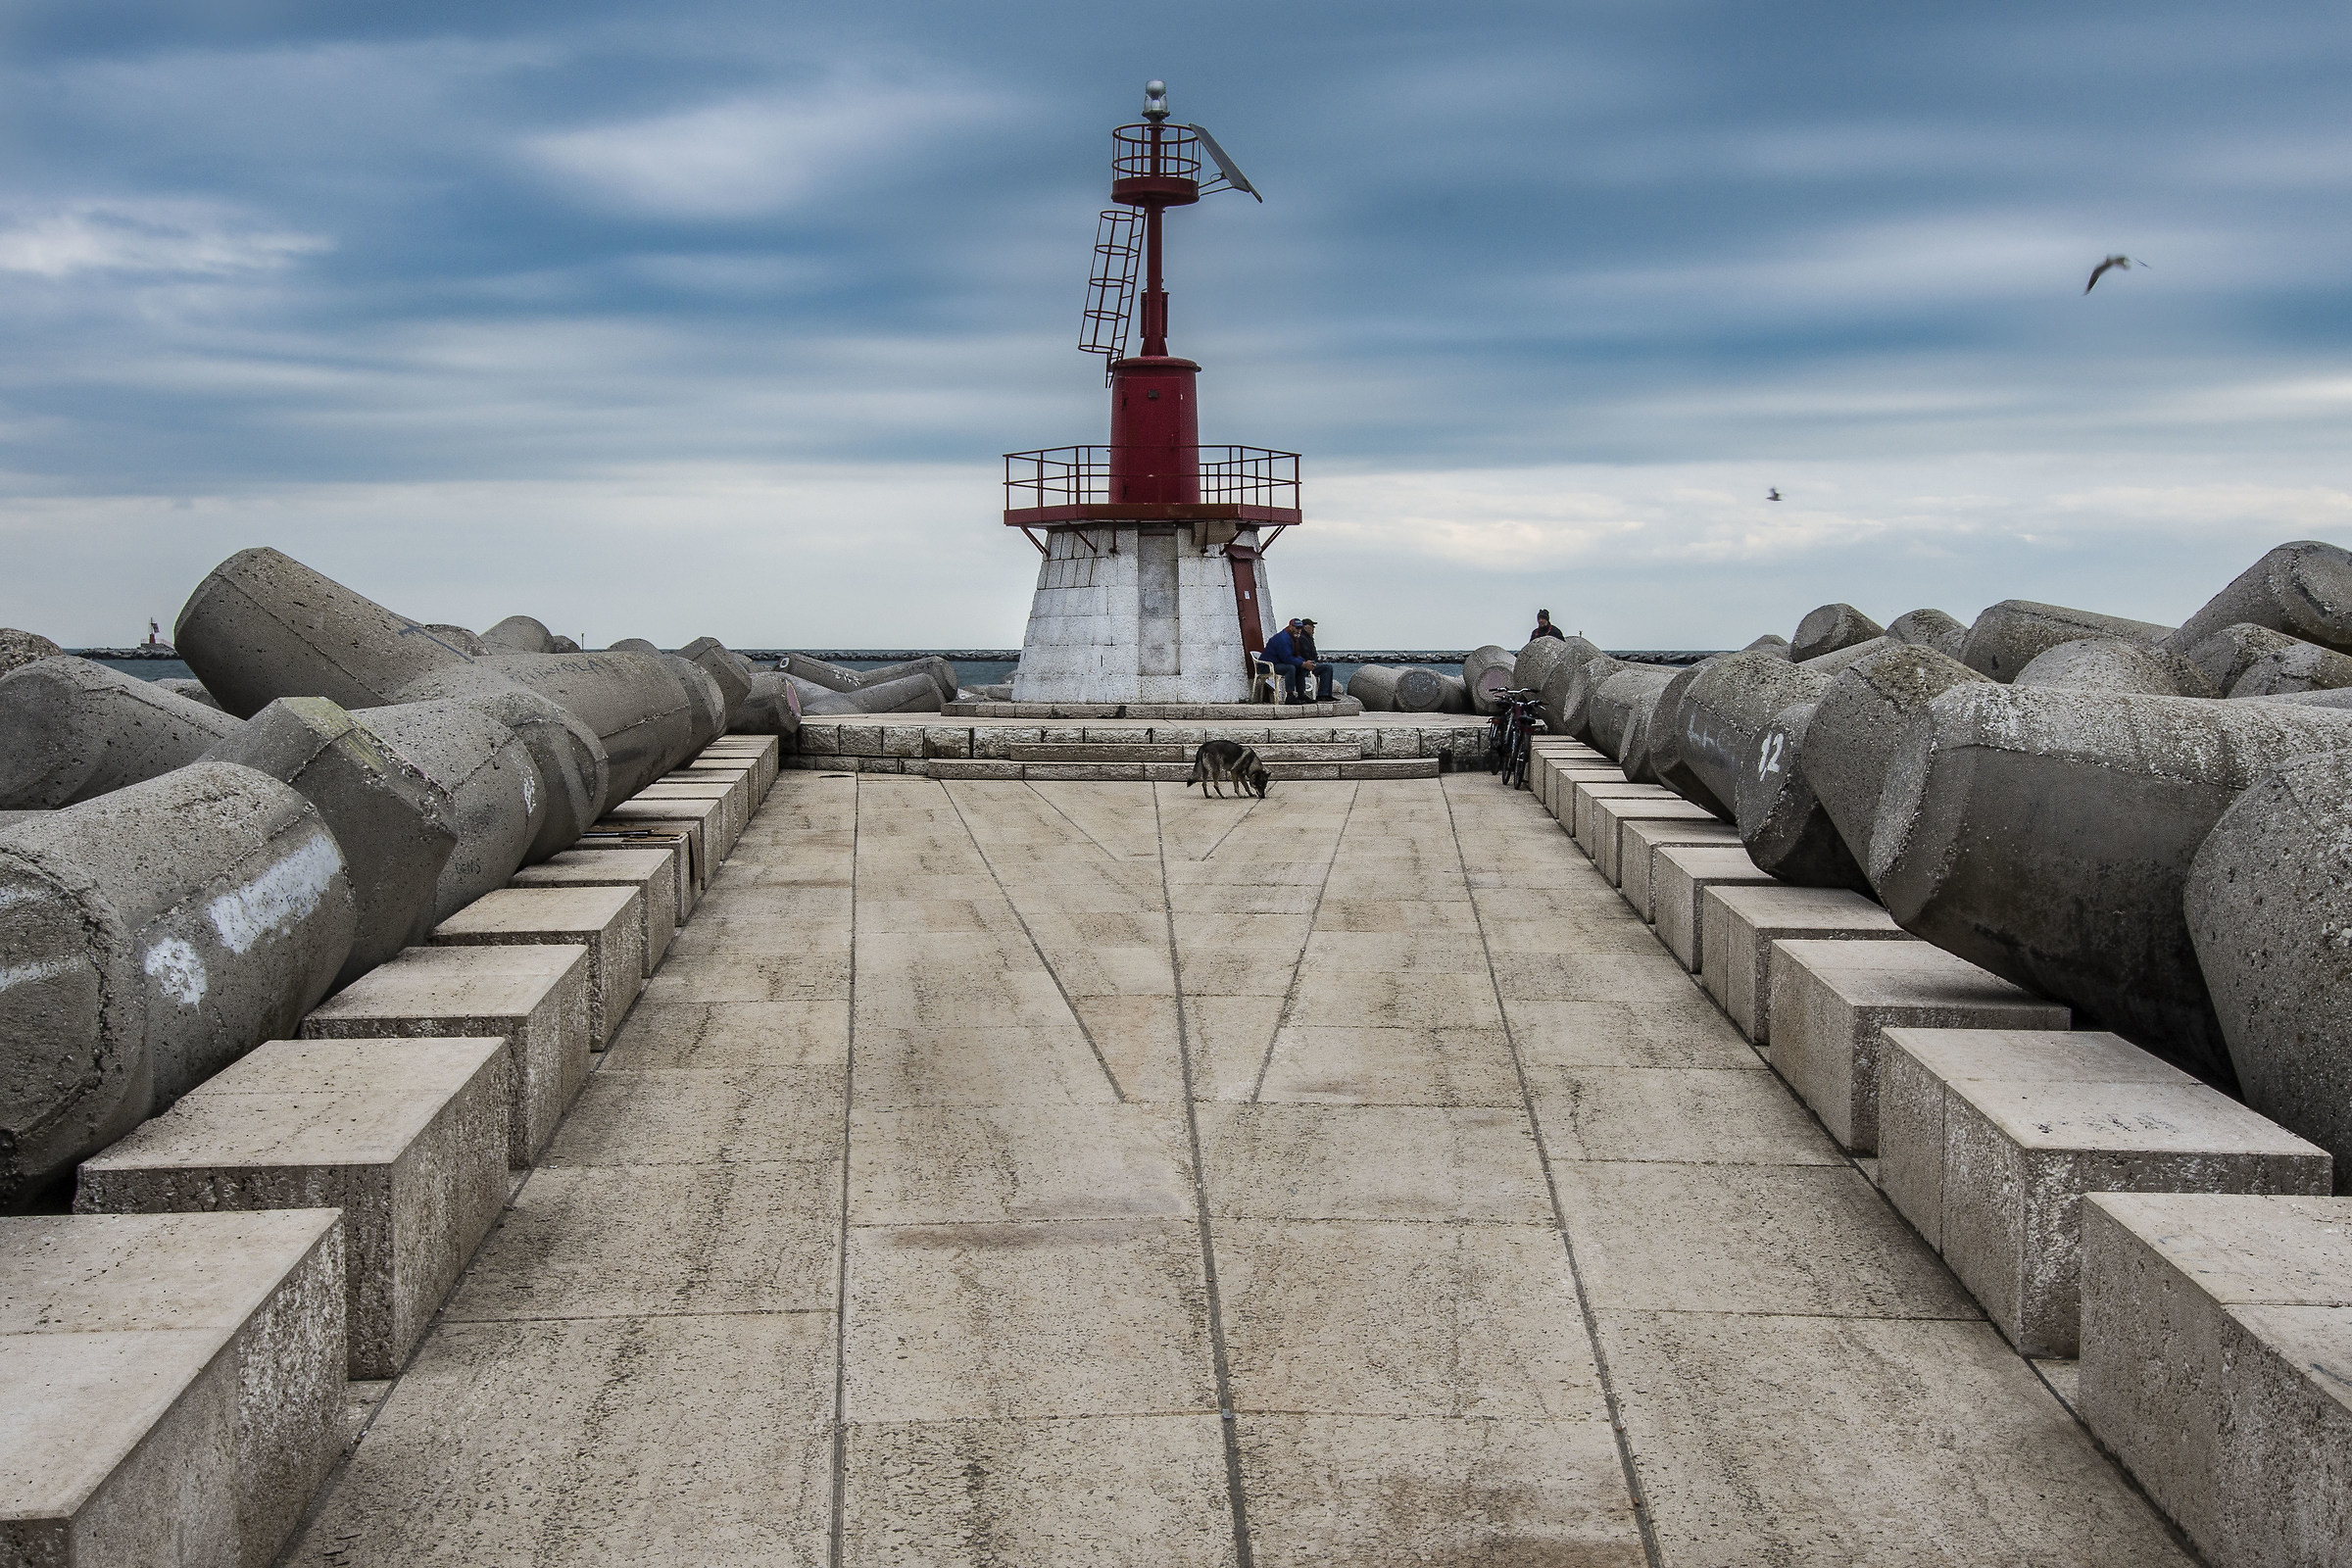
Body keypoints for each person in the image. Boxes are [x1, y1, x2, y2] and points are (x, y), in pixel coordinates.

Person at [1262, 618, 1333, 702]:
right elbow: (1287, 658)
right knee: (1291, 668)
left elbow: (1295, 655)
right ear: (1290, 627)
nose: (1299, 630)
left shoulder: (1293, 638)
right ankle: (1290, 696)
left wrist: (1304, 663)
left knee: (1299, 667)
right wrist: (1304, 664)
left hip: (1279, 662)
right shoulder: (1283, 638)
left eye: (1300, 628)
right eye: (1297, 628)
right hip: (1268, 665)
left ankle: (1301, 694)